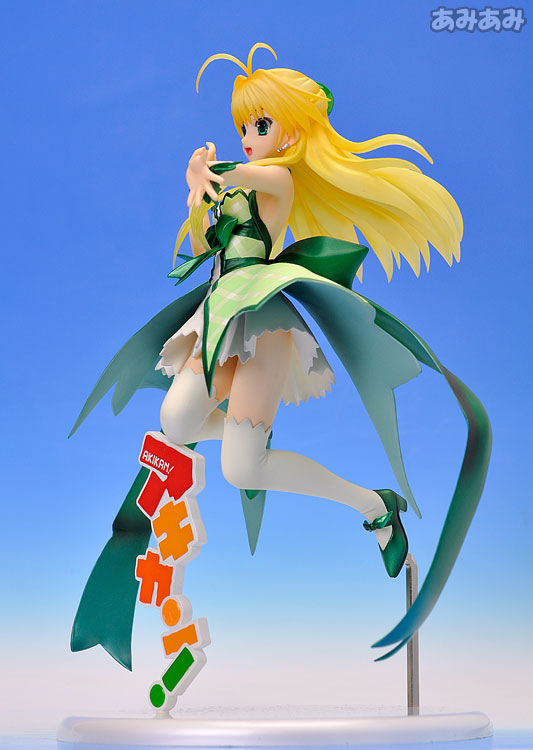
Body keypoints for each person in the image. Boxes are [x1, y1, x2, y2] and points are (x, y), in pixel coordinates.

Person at [70, 44, 490, 668]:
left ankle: (374, 506)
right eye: (243, 124)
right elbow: (205, 229)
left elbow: (241, 176)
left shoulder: (276, 178)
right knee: (176, 419)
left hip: (260, 322)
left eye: (260, 124)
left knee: (241, 470)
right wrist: (198, 193)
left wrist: (205, 170)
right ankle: (253, 436)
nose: (249, 135)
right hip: (218, 313)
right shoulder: (236, 183)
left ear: (290, 132)